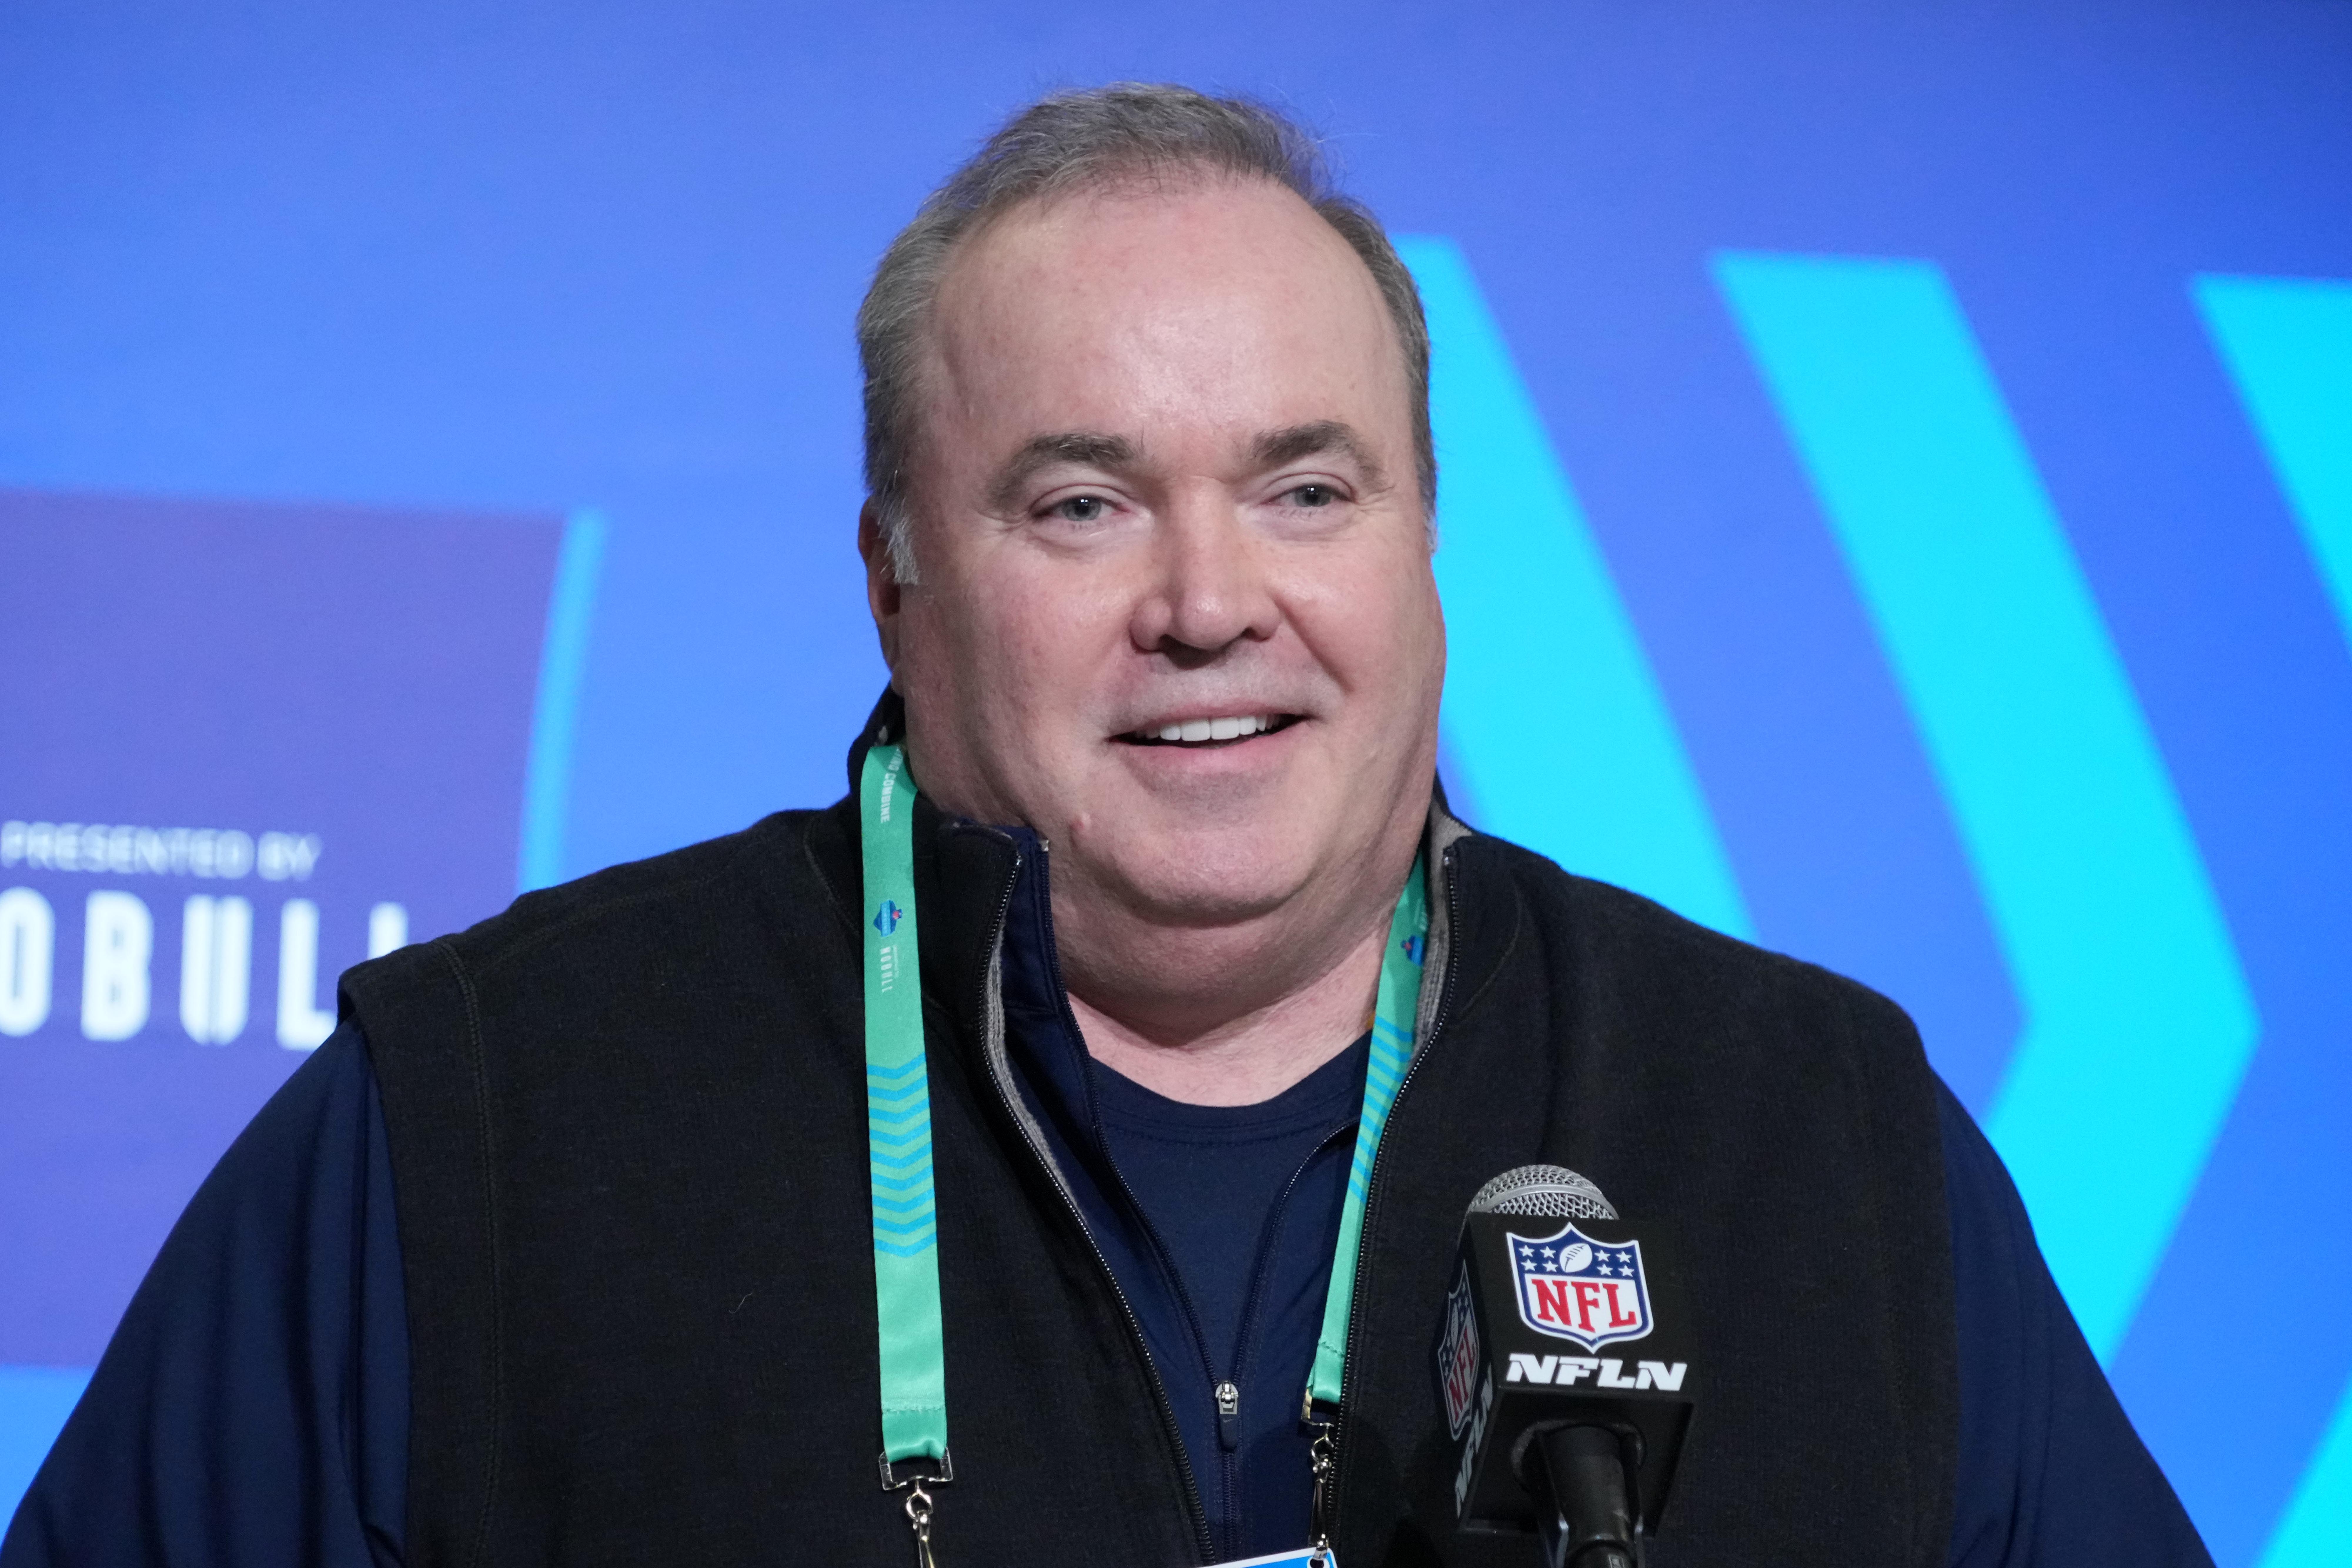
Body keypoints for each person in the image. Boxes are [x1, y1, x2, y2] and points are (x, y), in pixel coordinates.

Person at [3, 84, 2208, 1568]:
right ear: (895, 577)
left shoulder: (1816, 1135)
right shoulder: (479, 1122)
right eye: (1079, 502)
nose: (1207, 600)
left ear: (1427, 540)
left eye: (1305, 487)